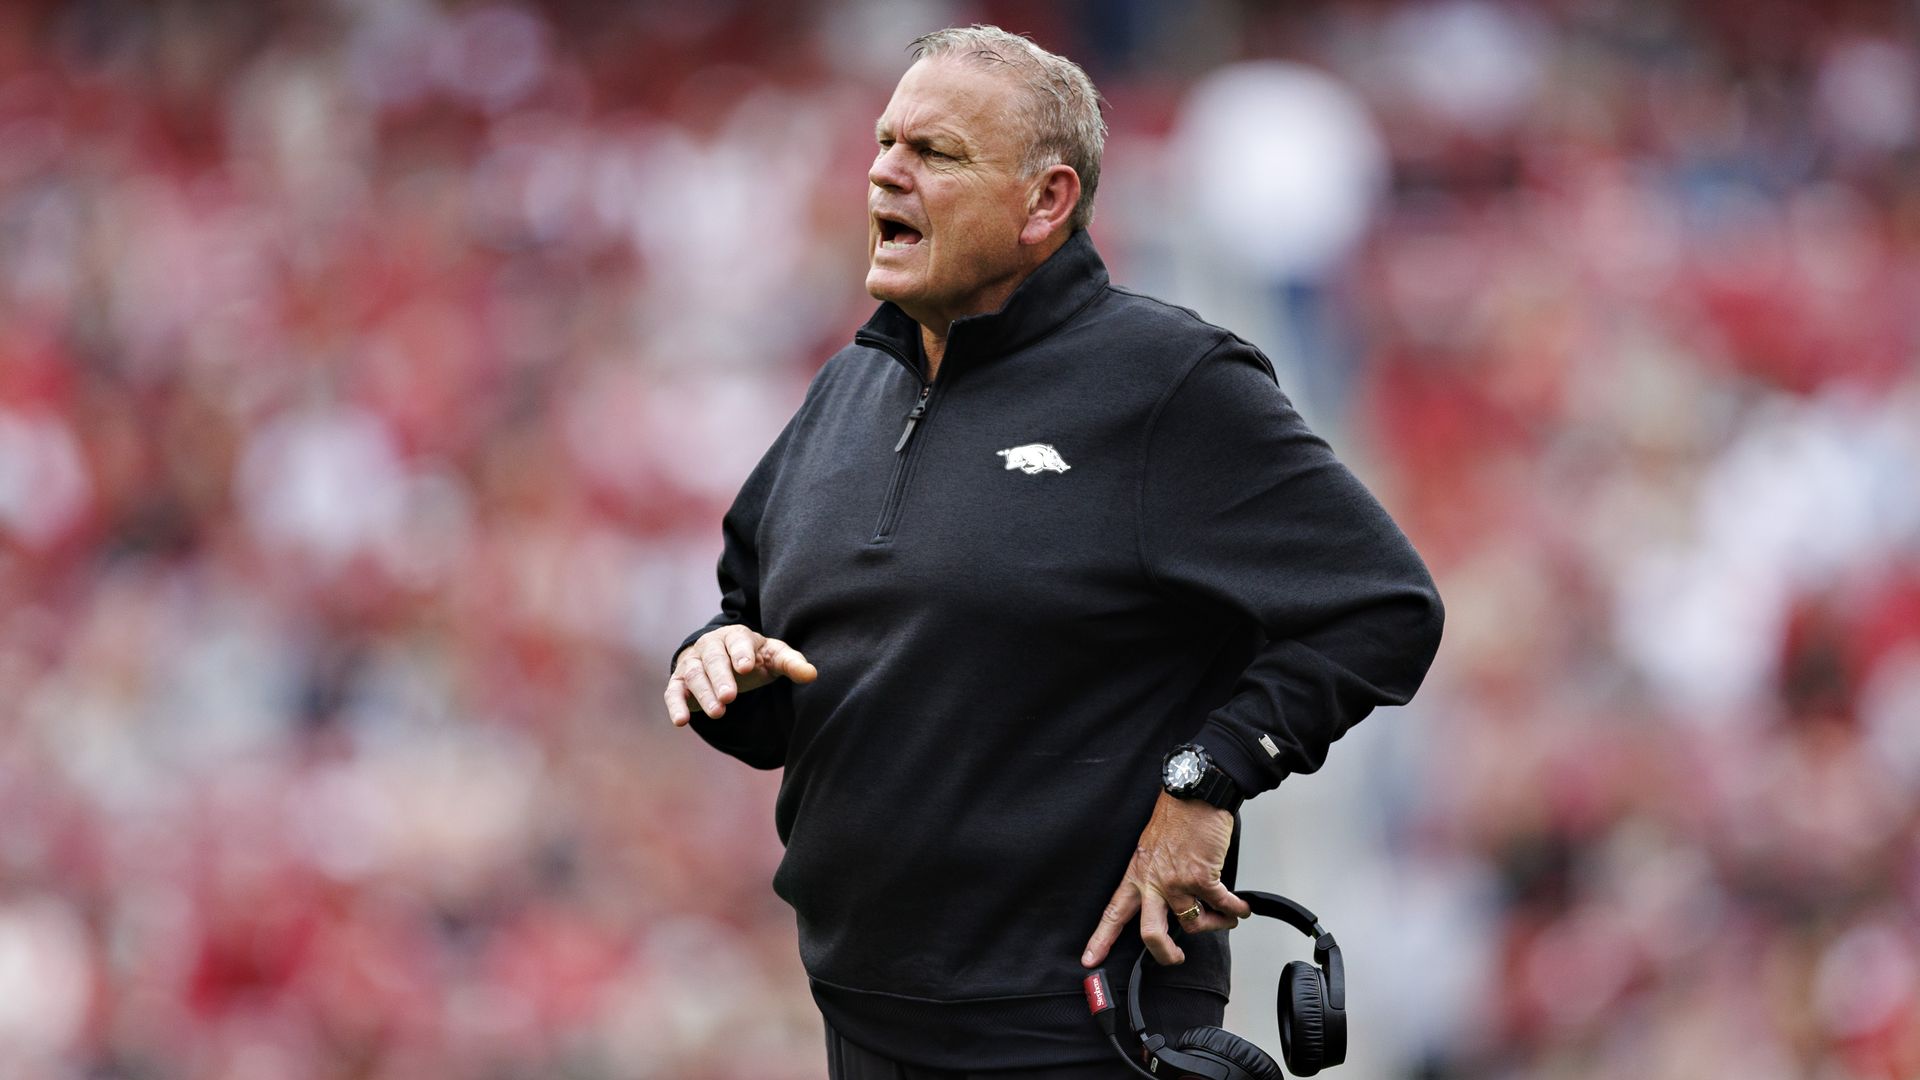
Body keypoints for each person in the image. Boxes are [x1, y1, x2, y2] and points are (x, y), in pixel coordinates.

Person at [663, 24, 1443, 1078]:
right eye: (887, 143)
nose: (885, 170)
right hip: (867, 1015)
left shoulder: (1167, 381)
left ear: (1046, 203)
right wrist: (717, 662)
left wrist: (1204, 779)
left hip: (1074, 1022)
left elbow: (1382, 604)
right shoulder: (845, 392)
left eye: (935, 154)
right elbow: (756, 632)